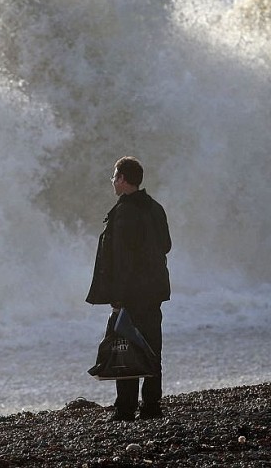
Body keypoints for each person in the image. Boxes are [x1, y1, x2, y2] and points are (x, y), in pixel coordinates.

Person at [86, 156, 172, 421]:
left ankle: (125, 408)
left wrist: (118, 298)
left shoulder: (124, 212)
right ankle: (151, 406)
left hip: (132, 294)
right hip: (154, 291)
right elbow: (166, 245)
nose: (112, 181)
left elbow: (122, 259)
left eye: (114, 176)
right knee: (151, 347)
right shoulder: (155, 207)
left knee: (126, 347)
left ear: (123, 179)